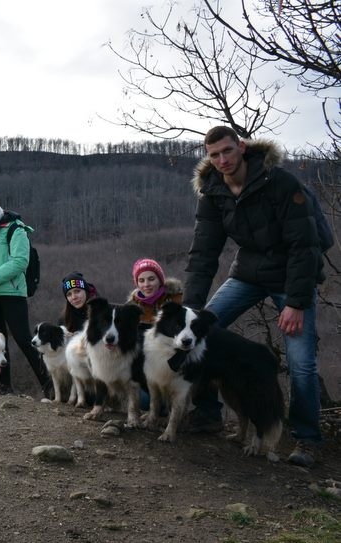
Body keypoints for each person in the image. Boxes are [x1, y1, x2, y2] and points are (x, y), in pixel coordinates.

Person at [185, 125, 324, 467]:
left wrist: (296, 303)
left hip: (291, 277)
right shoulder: (213, 192)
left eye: (227, 151)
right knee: (199, 333)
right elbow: (203, 253)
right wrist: (190, 308)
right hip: (248, 273)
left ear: (242, 147)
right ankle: (208, 413)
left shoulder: (280, 183)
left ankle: (307, 438)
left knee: (301, 362)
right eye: (214, 155)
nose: (222, 160)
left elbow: (305, 246)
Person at [0, 189, 51, 396]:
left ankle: (49, 385)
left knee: (23, 339)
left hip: (12, 293)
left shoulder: (16, 228)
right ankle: (5, 387)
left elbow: (20, 262)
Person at [126, 258, 183, 325]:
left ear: (160, 280)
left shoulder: (177, 301)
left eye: (151, 279)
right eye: (141, 281)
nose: (146, 284)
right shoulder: (131, 306)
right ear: (137, 284)